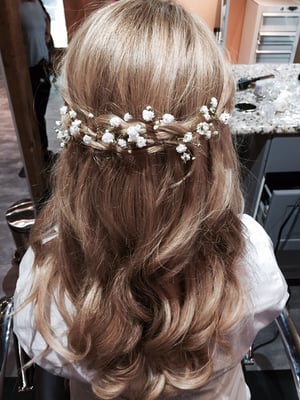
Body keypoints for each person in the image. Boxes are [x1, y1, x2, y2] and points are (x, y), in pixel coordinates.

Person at [13, 1, 289, 399]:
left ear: (75, 143)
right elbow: (271, 303)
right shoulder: (251, 257)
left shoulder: (45, 282)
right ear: (215, 144)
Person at [19, 0, 52, 177]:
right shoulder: (15, 8)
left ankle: (43, 152)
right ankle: (35, 157)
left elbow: (46, 23)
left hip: (42, 66)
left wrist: (46, 40)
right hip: (27, 70)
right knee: (32, 114)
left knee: (39, 114)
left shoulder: (37, 4)